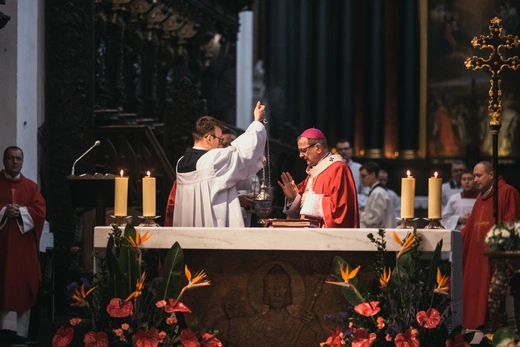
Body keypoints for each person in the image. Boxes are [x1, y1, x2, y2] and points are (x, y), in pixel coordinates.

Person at [172, 101, 266, 227]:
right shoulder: (212, 159)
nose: (220, 143)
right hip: (212, 230)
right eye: (220, 139)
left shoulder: (181, 162)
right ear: (209, 139)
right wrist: (257, 122)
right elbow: (243, 153)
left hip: (189, 229)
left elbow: (215, 185)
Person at [461, 161, 520, 329]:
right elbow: (472, 227)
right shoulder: (481, 198)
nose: (475, 180)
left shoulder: (508, 192)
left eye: (479, 175)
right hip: (479, 256)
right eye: (474, 176)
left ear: (492, 175)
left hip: (496, 257)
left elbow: (512, 223)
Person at [0, 146, 46, 343]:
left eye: (18, 158)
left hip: (22, 249)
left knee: (20, 284)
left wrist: (21, 212)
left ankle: (18, 334)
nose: (14, 162)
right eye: (10, 158)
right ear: (4, 160)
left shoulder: (30, 187)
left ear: (22, 162)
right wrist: (3, 212)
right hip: (2, 247)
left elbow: (40, 212)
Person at [224, 264, 324, 346]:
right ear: (265, 292)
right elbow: (237, 339)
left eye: (282, 288)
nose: (277, 293)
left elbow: (318, 343)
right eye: (272, 288)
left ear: (288, 292)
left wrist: (316, 327)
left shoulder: (298, 328)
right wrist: (232, 321)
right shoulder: (252, 326)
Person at [278, 128, 359, 228]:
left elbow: (342, 209)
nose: (300, 155)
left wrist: (310, 200)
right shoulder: (315, 172)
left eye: (303, 150)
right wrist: (293, 198)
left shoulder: (338, 169)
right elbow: (302, 209)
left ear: (318, 148)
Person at [359, 162, 397, 229]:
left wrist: (359, 213)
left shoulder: (378, 193)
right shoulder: (376, 191)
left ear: (373, 175)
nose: (361, 179)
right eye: (361, 176)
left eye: (363, 176)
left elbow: (375, 219)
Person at [335, 140, 369, 208]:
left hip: (356, 207)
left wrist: (348, 198)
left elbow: (366, 194)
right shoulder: (331, 169)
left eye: (346, 149)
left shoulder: (360, 169)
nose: (343, 152)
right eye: (340, 149)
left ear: (351, 150)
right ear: (336, 152)